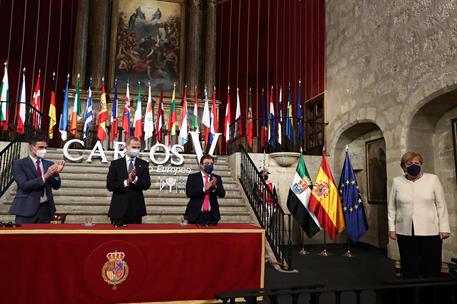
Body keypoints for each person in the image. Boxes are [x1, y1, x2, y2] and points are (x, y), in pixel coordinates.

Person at [388, 151, 450, 278]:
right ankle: (411, 295)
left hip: (430, 230)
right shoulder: (397, 181)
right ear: (404, 166)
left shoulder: (432, 179)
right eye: (409, 163)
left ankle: (430, 295)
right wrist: (392, 228)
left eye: (417, 163)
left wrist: (444, 228)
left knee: (431, 267)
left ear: (422, 164)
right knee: (409, 267)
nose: (413, 165)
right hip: (405, 230)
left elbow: (441, 205)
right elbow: (392, 207)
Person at [9, 135, 65, 224]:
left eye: (45, 147)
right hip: (26, 209)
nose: (44, 150)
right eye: (41, 147)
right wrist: (45, 176)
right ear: (31, 147)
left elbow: (56, 186)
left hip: (46, 209)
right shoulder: (19, 164)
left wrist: (56, 174)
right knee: (23, 237)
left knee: (44, 237)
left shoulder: (49, 164)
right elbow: (24, 185)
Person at [107, 136, 151, 226]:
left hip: (136, 209)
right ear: (126, 147)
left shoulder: (143, 164)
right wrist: (126, 182)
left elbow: (147, 184)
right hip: (118, 208)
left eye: (138, 147)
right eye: (134, 147)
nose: (136, 150)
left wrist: (135, 180)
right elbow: (110, 185)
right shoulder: (115, 164)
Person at [184, 154, 225, 226]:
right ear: (201, 165)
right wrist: (204, 189)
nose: (210, 165)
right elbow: (189, 193)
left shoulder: (216, 178)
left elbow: (222, 194)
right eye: (207, 164)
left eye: (211, 164)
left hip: (212, 216)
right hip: (195, 215)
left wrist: (215, 187)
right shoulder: (192, 177)